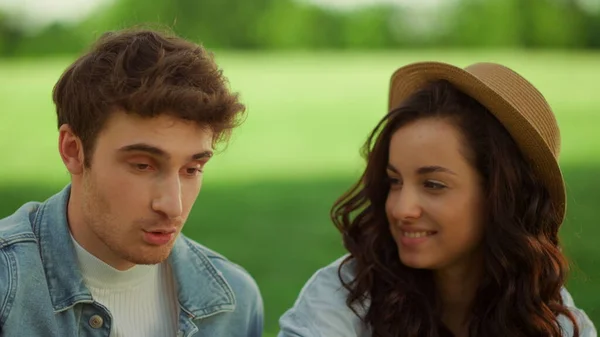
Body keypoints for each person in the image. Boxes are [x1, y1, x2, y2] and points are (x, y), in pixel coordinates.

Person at [277, 61, 597, 337]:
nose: (401, 209)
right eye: (394, 181)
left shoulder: (555, 322)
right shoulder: (342, 297)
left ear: (501, 196)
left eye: (432, 184)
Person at [0, 28, 263, 337]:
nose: (172, 205)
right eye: (143, 165)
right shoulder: (7, 287)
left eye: (192, 169)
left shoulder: (235, 302)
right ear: (72, 150)